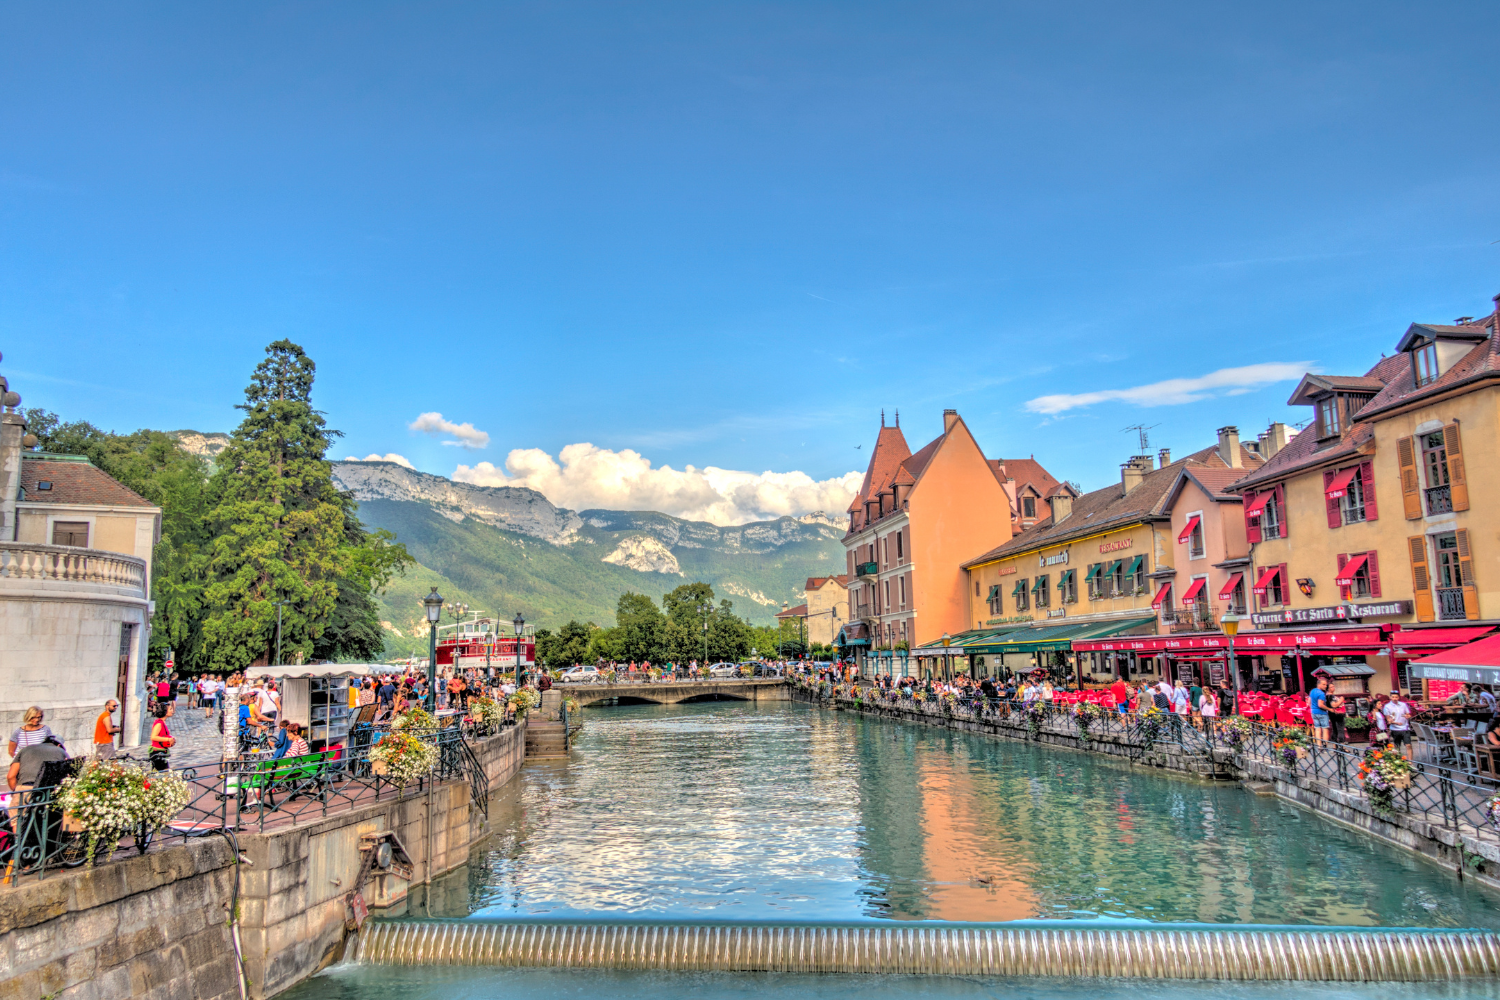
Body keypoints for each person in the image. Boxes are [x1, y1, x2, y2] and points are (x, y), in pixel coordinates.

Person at [7, 735, 68, 826]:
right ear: (59, 745)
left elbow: (11, 776)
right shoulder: (61, 752)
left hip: (25, 789)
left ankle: (18, 839)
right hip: (48, 792)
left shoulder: (25, 750)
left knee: (17, 819)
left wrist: (17, 792)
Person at [1382, 690, 1413, 758]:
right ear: (1390, 697)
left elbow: (1408, 714)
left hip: (1405, 727)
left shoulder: (1403, 704)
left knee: (1408, 745)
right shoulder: (1387, 707)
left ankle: (1410, 762)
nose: (1394, 699)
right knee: (1397, 746)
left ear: (1398, 697)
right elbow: (1388, 720)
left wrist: (1408, 716)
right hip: (1395, 728)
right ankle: (1398, 761)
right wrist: (1395, 722)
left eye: (1396, 697)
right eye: (1393, 697)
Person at [148, 704, 175, 771]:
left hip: (162, 751)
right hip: (157, 752)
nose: (172, 711)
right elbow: (153, 737)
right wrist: (168, 739)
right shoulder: (159, 723)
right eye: (170, 709)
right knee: (161, 774)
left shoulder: (163, 722)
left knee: (163, 773)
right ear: (165, 711)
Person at [1308, 676, 1331, 743]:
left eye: (1326, 685)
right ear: (1319, 684)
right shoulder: (1321, 693)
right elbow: (1320, 705)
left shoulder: (1312, 691)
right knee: (1325, 729)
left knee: (1317, 729)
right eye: (1323, 684)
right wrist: (1329, 709)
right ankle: (1325, 745)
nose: (1325, 686)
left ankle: (1319, 745)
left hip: (1314, 712)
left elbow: (1309, 702)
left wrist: (1312, 708)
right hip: (1322, 713)